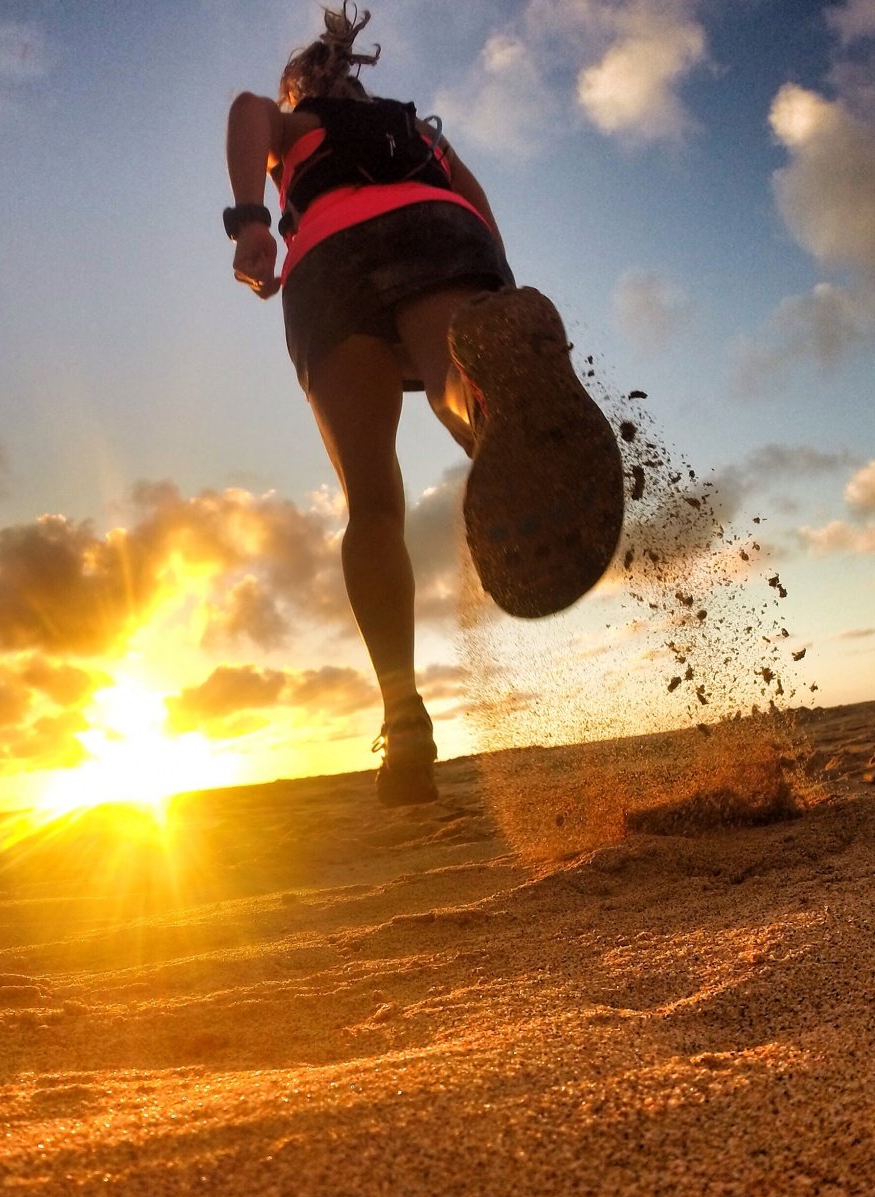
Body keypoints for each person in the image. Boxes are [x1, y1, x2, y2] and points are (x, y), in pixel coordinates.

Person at [223, 4, 612, 807]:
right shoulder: (420, 134)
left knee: (372, 505)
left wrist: (253, 221)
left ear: (302, 84)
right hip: (436, 227)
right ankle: (490, 397)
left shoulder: (291, 125)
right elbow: (475, 199)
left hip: (328, 256)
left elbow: (243, 110)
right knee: (455, 385)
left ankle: (404, 721)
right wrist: (494, 276)